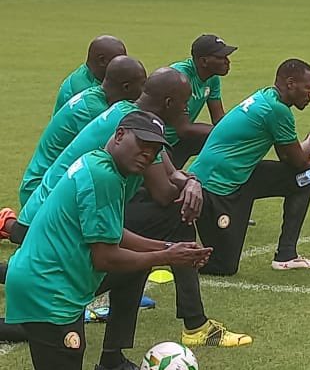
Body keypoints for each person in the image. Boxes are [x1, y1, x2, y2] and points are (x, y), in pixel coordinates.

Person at [0, 113, 212, 370]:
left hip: (53, 281)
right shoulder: (103, 176)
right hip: (48, 288)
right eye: (142, 144)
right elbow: (106, 256)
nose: (147, 155)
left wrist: (168, 247)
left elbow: (113, 231)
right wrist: (166, 256)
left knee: (134, 269)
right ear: (120, 134)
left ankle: (112, 362)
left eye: (154, 150)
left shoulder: (104, 166)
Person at [9, 68, 195, 244]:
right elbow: (163, 194)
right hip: (49, 222)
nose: (186, 109)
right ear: (169, 103)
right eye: (185, 102)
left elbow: (171, 173)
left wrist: (192, 184)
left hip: (38, 213)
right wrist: (187, 189)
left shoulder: (127, 112)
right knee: (178, 212)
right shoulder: (137, 132)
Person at [189, 59, 310, 276]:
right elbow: (296, 160)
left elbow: (288, 157)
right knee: (224, 267)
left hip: (239, 175)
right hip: (217, 186)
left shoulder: (267, 96)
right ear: (291, 83)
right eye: (308, 87)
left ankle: (286, 256)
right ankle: (176, 248)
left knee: (306, 177)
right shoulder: (276, 110)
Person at [19, 55, 146, 206]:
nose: (144, 91)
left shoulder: (93, 95)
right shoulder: (96, 110)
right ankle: (7, 223)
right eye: (142, 85)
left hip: (46, 183)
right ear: (126, 87)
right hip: (40, 189)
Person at [166, 34, 236, 169]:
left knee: (226, 142)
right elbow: (184, 129)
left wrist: (241, 129)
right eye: (221, 58)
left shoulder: (212, 79)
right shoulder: (180, 78)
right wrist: (226, 132)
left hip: (177, 140)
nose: (227, 61)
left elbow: (218, 118)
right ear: (204, 61)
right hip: (159, 142)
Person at [52, 35, 126, 113]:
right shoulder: (83, 91)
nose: (125, 65)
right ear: (102, 60)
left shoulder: (92, 74)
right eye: (119, 61)